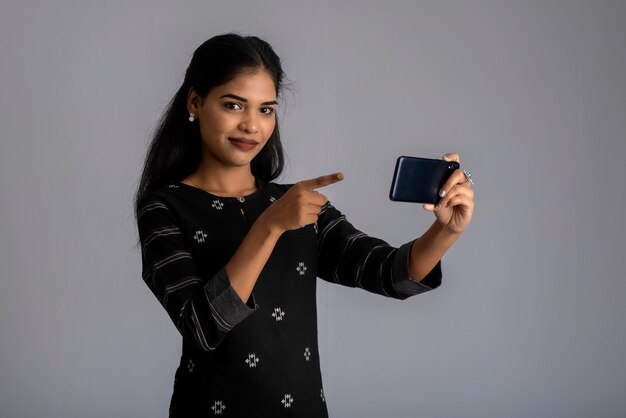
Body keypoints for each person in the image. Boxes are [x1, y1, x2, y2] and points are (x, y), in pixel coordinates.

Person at [134, 33, 474, 418]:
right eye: (234, 105)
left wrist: (446, 231)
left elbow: (388, 274)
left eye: (266, 110)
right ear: (195, 102)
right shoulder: (164, 207)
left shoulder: (298, 205)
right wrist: (270, 227)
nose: (251, 126)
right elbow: (202, 326)